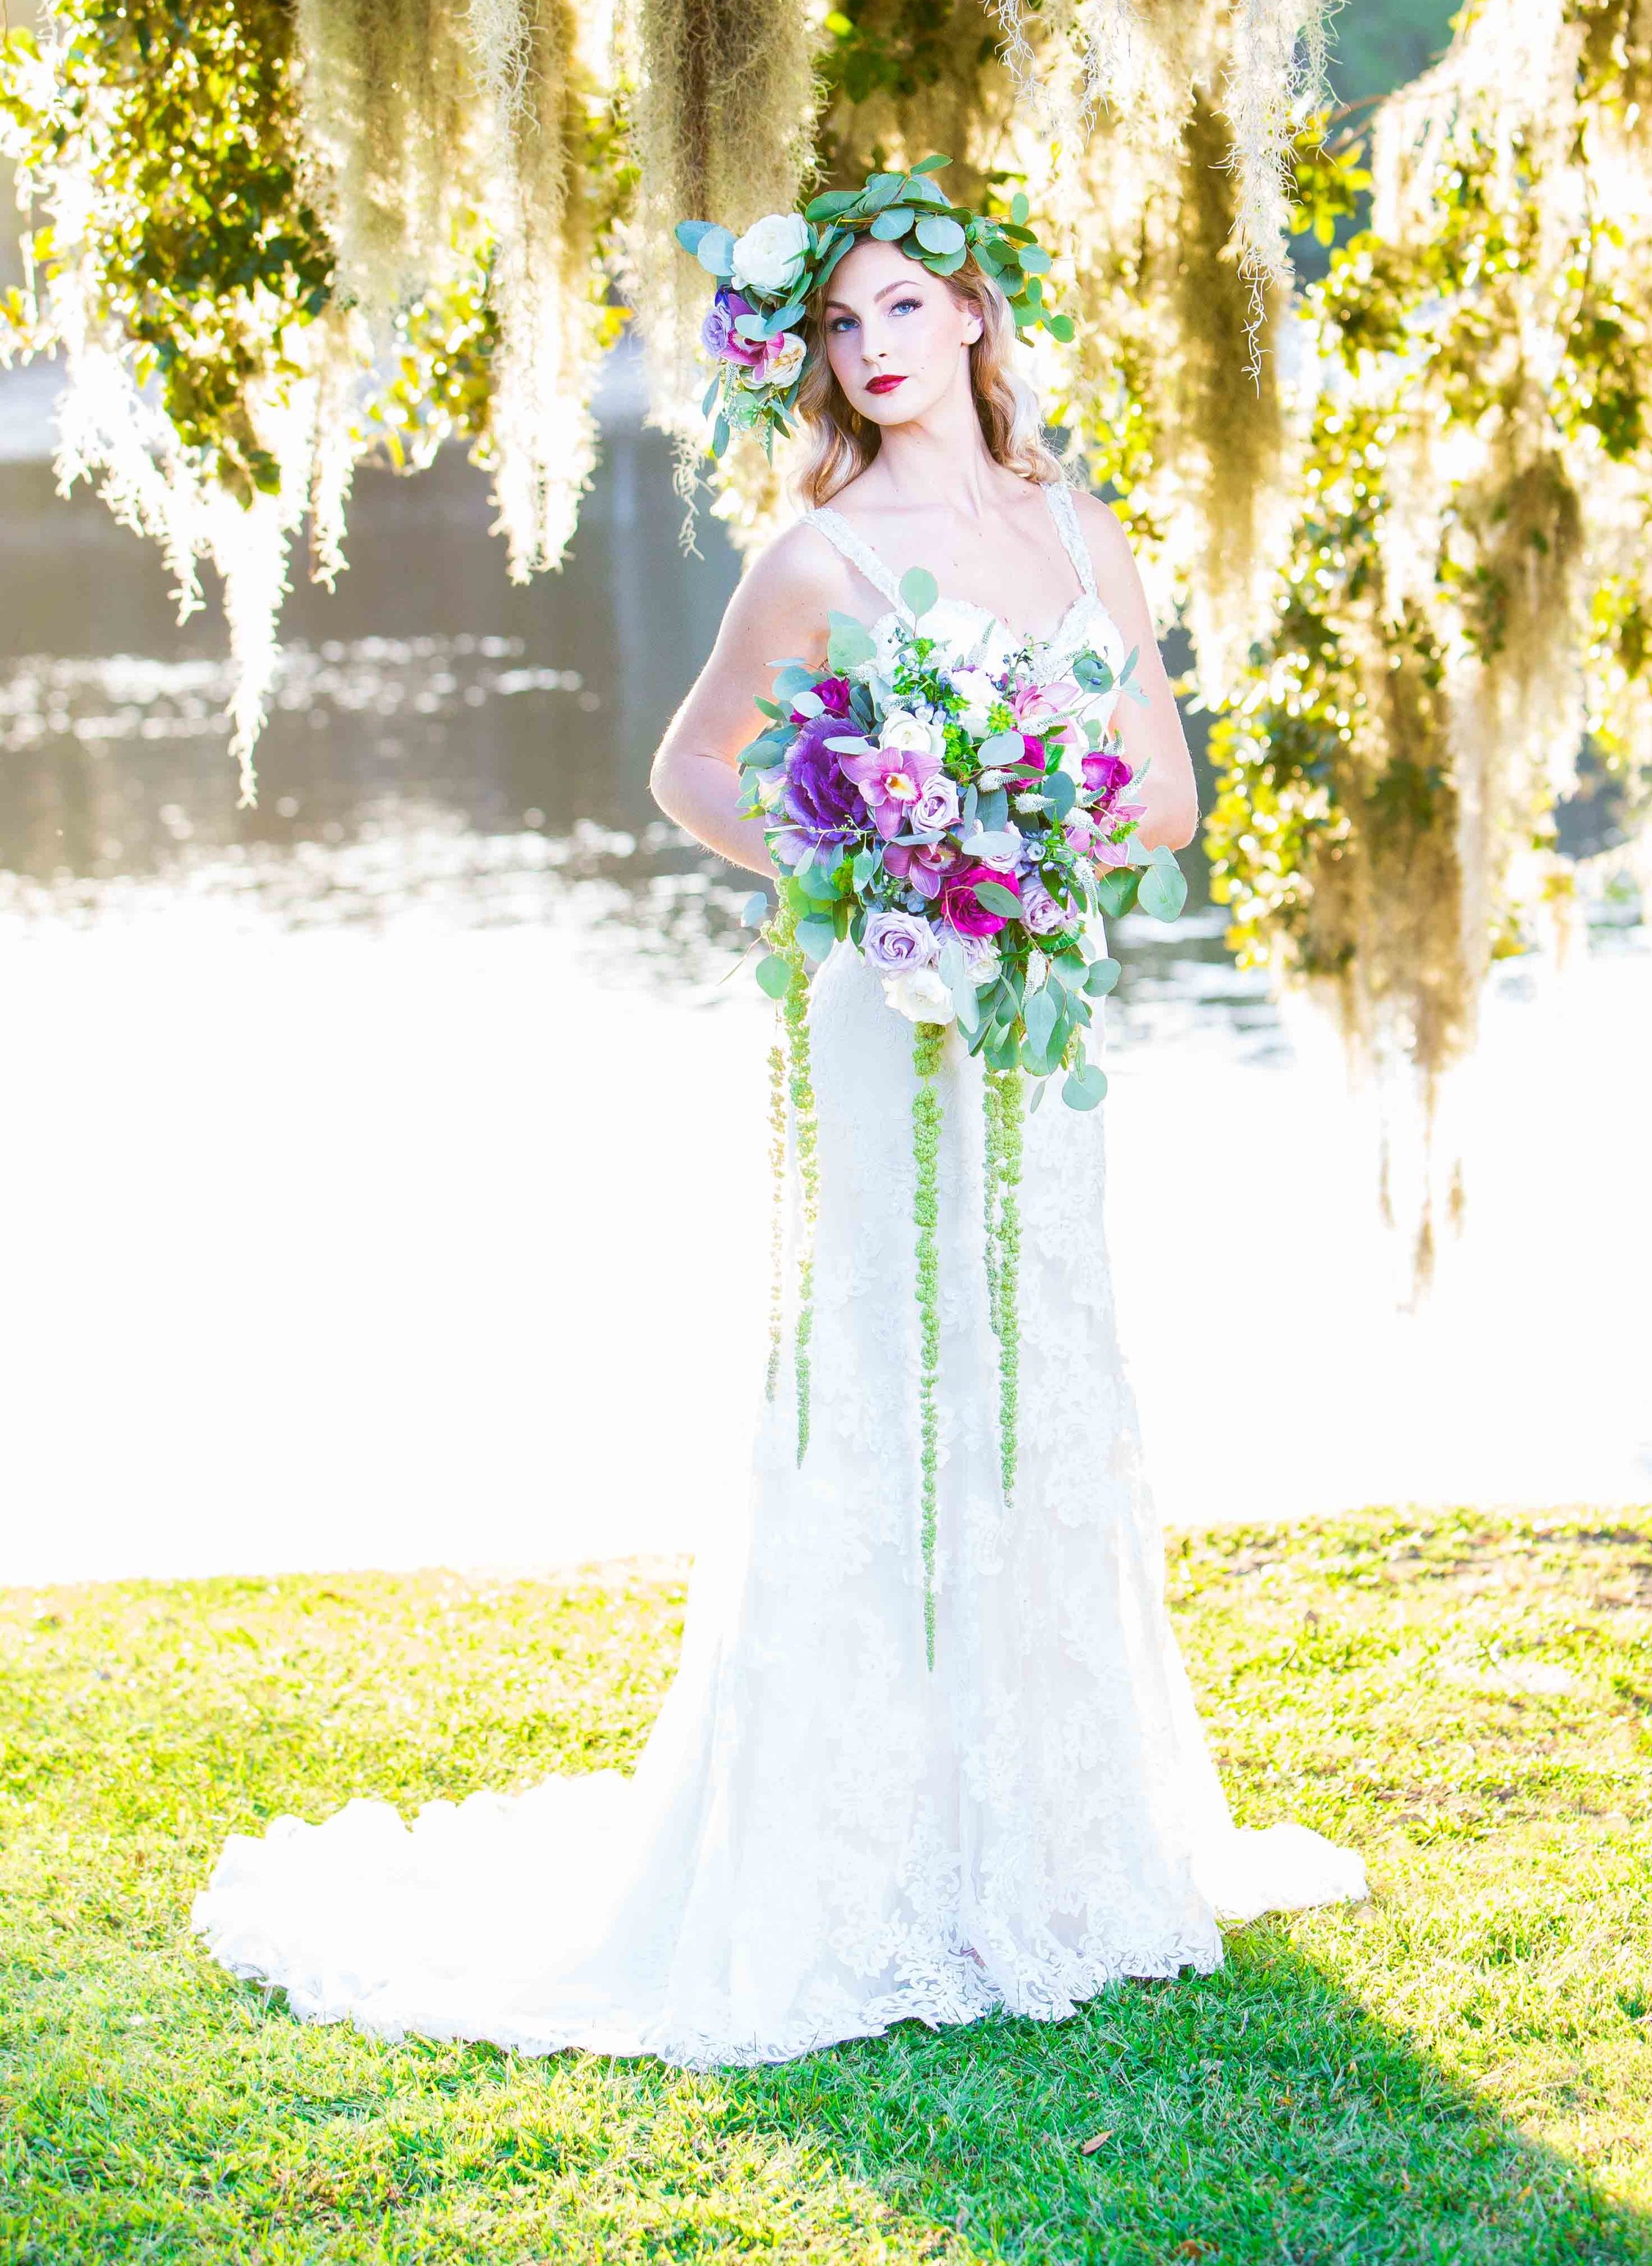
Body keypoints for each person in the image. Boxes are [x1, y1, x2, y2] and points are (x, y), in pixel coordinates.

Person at [192, 202, 1366, 2070]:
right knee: (880, 1379)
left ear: (977, 316)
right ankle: (856, 1858)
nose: (874, 345)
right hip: (881, 1012)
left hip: (1028, 1009)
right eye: (837, 323)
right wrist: (879, 868)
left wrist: (1027, 840)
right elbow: (691, 772)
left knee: (1033, 1367)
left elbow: (1161, 791)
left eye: (905, 304)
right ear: (813, 359)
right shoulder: (812, 559)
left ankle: (1061, 1841)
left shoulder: (1085, 536)